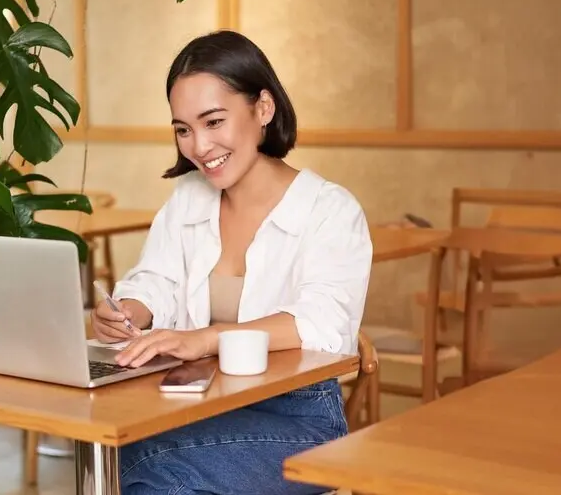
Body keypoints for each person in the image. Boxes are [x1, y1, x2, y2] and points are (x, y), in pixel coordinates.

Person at [92, 30, 374, 494]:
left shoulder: (330, 210)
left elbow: (325, 325)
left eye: (213, 122)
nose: (199, 146)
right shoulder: (186, 201)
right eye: (183, 129)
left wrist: (205, 340)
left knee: (147, 459)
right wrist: (132, 308)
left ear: (263, 108)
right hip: (197, 406)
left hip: (298, 422)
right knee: (136, 458)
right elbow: (156, 279)